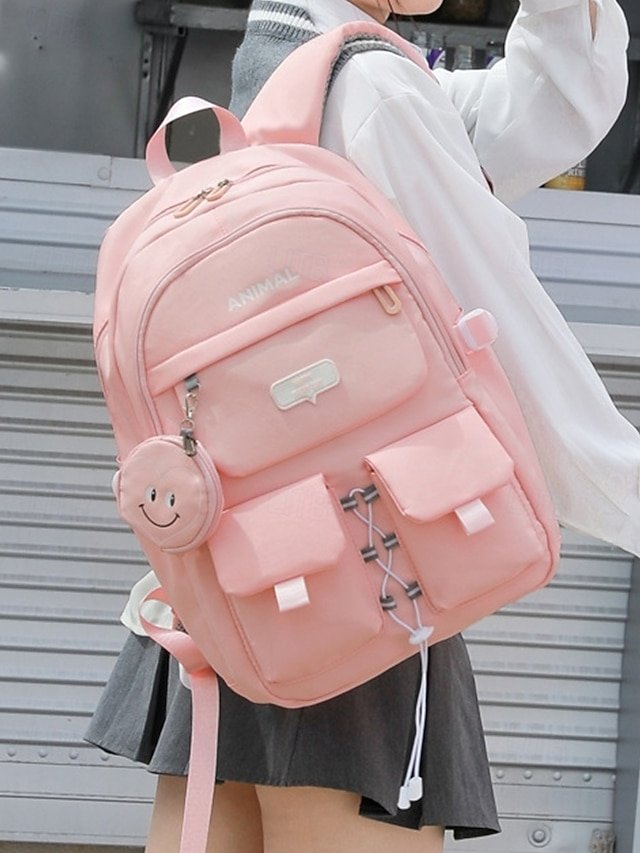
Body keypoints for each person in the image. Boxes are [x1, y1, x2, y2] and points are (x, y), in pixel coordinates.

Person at [85, 0, 630, 850]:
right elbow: (511, 344)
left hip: (237, 585)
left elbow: (538, 109)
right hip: (362, 587)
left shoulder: (285, 55)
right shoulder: (373, 87)